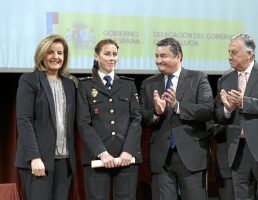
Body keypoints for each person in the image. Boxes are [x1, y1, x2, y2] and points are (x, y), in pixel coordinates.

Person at [214, 33, 258, 200]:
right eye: (229, 52)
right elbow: (218, 114)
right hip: (238, 149)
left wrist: (243, 102)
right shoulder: (225, 79)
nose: (229, 56)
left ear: (249, 53)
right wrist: (227, 110)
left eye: (234, 52)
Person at [140, 37, 214, 200]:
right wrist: (157, 113)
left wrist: (178, 106)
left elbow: (207, 110)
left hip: (191, 156)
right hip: (161, 159)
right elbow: (143, 118)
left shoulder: (198, 78)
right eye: (157, 56)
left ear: (178, 56)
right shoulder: (148, 84)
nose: (158, 61)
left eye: (163, 56)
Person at [77, 39, 142, 200]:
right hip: (97, 158)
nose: (112, 58)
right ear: (96, 56)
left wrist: (128, 150)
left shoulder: (128, 85)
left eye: (114, 54)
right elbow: (84, 123)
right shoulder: (85, 86)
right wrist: (102, 153)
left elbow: (136, 119)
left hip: (126, 158)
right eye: (107, 54)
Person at [15, 34, 76, 199]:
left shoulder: (70, 84)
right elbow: (24, 120)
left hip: (64, 161)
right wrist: (34, 157)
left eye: (60, 53)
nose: (56, 57)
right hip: (38, 161)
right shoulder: (29, 80)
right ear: (42, 54)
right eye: (50, 52)